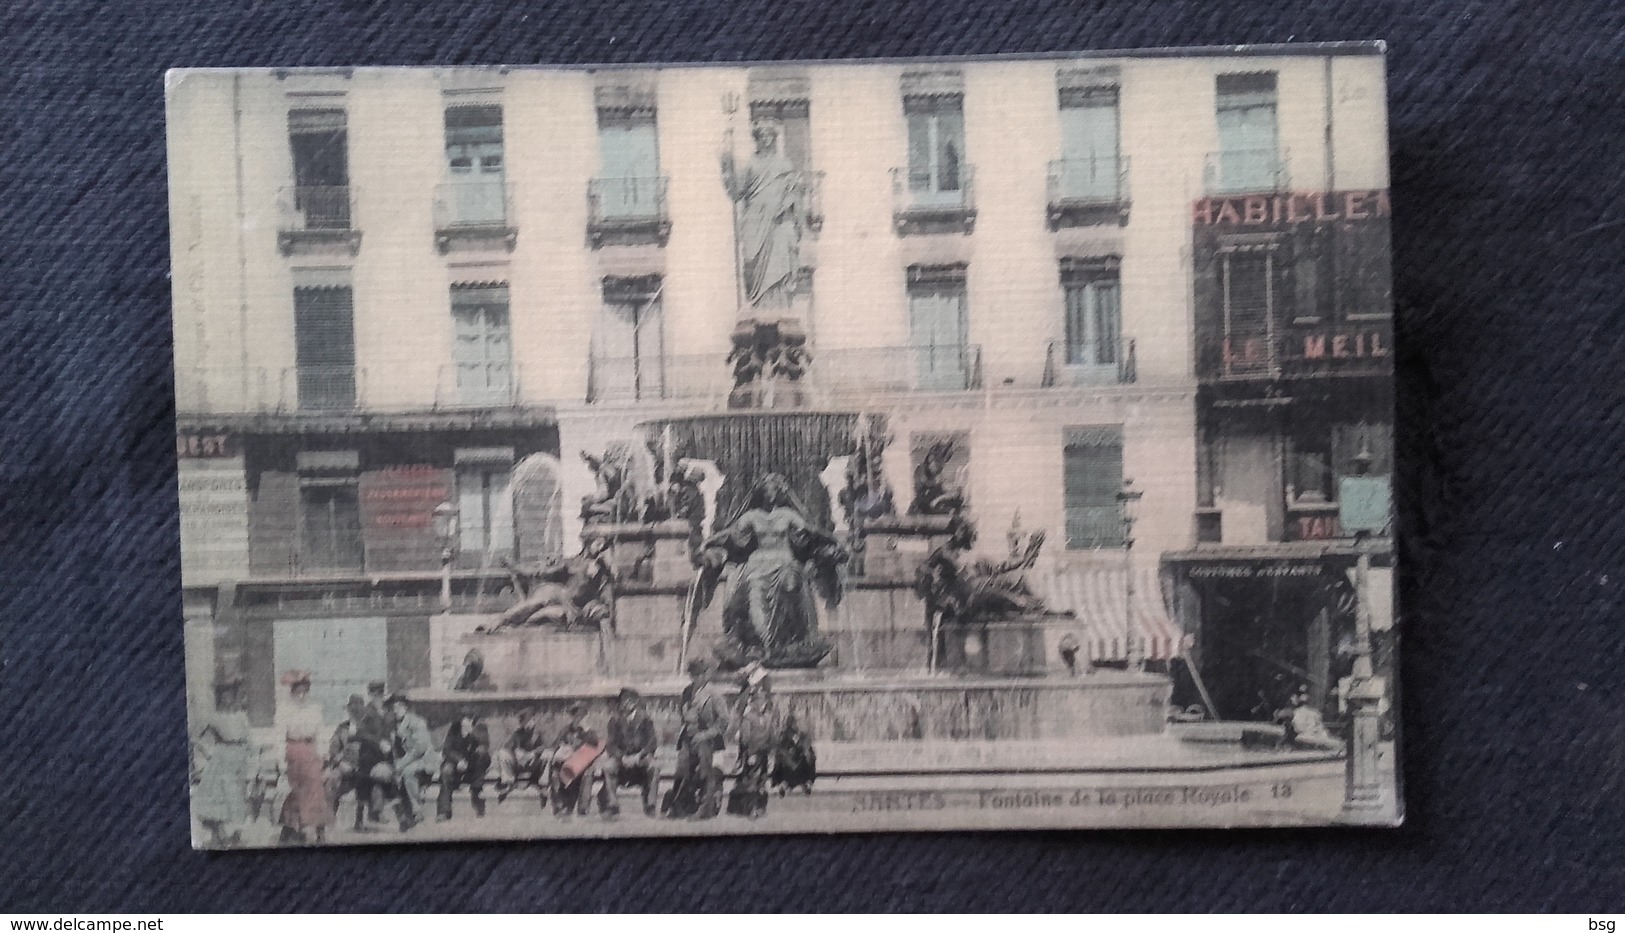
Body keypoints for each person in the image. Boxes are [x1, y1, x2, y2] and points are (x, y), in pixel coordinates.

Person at [696, 473, 846, 668]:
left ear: (779, 493)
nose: (770, 494)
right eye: (767, 491)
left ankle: (795, 641)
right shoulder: (752, 516)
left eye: (773, 490)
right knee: (753, 594)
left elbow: (811, 530)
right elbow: (729, 534)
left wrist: (833, 539)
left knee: (792, 583)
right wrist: (709, 541)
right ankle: (765, 645)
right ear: (761, 493)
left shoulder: (787, 514)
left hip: (784, 561)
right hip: (757, 564)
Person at [722, 123, 803, 311]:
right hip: (755, 221)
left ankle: (780, 304)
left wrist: (793, 208)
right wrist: (726, 166)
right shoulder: (750, 165)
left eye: (768, 136)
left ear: (773, 138)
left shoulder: (784, 165)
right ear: (757, 140)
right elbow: (737, 192)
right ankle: (759, 303)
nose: (765, 140)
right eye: (761, 136)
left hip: (778, 221)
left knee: (781, 261)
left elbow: (793, 192)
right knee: (753, 261)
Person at [192, 675, 254, 847]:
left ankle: (235, 834)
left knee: (238, 799)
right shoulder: (213, 717)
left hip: (239, 760)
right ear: (219, 697)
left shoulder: (241, 716)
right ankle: (218, 835)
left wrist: (252, 759)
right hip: (221, 760)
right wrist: (208, 752)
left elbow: (249, 740)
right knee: (222, 798)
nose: (228, 698)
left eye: (231, 694)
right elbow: (195, 736)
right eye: (224, 695)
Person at [664, 658, 729, 820]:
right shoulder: (687, 692)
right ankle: (680, 805)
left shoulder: (714, 696)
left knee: (706, 772)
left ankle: (704, 809)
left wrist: (706, 734)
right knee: (682, 771)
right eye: (694, 675)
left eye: (700, 674)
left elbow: (724, 721)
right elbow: (683, 714)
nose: (697, 678)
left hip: (709, 740)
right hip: (689, 739)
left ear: (706, 675)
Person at [275, 670, 332, 845]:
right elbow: (279, 736)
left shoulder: (314, 708)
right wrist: (280, 760)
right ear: (292, 691)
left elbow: (320, 733)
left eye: (304, 691)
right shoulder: (285, 709)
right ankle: (290, 827)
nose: (301, 695)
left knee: (316, 789)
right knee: (297, 792)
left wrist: (323, 753)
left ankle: (319, 829)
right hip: (293, 751)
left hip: (310, 751)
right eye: (297, 691)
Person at [727, 667, 779, 819]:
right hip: (753, 753)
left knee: (762, 781)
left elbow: (772, 736)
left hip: (763, 753)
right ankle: (750, 809)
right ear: (754, 702)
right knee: (751, 781)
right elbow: (744, 738)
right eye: (759, 701)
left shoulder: (767, 717)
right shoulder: (748, 718)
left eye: (763, 701)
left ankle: (760, 807)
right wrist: (747, 754)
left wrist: (772, 754)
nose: (762, 704)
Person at [602, 688, 660, 817]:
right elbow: (610, 745)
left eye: (631, 700)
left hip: (641, 758)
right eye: (625, 700)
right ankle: (613, 805)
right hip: (621, 760)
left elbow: (652, 742)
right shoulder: (614, 721)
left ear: (636, 702)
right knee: (608, 767)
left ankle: (650, 806)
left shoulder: (645, 719)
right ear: (621, 703)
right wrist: (622, 757)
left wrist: (639, 756)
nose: (628, 703)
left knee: (654, 767)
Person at [388, 693, 438, 831]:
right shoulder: (393, 725)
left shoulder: (417, 722)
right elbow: (394, 748)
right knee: (390, 774)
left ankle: (417, 810)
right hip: (406, 761)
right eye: (393, 708)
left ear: (405, 707)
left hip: (424, 760)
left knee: (407, 772)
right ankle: (403, 816)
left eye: (398, 707)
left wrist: (401, 764)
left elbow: (420, 748)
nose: (395, 710)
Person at [549, 701, 605, 819]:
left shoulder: (590, 732)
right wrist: (562, 749)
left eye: (582, 715)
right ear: (572, 716)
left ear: (586, 717)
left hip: (583, 767)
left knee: (587, 775)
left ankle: (582, 811)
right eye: (577, 715)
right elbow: (554, 746)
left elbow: (596, 749)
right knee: (555, 775)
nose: (579, 718)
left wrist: (584, 735)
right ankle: (559, 808)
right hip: (566, 765)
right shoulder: (565, 730)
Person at [438, 709, 492, 821]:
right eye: (463, 719)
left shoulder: (480, 727)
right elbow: (447, 749)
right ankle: (444, 810)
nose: (464, 722)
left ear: (473, 719)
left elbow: (484, 747)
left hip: (474, 766)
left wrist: (471, 732)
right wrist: (459, 760)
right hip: (458, 764)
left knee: (483, 758)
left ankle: (477, 797)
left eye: (468, 719)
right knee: (446, 770)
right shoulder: (454, 728)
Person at [495, 707, 551, 806]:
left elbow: (545, 746)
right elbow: (507, 746)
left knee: (548, 754)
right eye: (526, 720)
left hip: (534, 763)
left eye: (531, 719)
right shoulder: (518, 733)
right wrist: (515, 751)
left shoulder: (539, 732)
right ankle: (508, 782)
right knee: (502, 753)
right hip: (519, 763)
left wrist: (533, 753)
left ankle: (543, 785)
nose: (529, 722)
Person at [770, 713, 817, 795]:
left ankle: (806, 783)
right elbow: (781, 751)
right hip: (791, 765)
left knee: (808, 757)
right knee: (787, 762)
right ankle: (786, 784)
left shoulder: (801, 736)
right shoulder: (785, 735)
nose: (797, 725)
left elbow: (808, 749)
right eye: (796, 723)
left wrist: (807, 753)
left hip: (797, 764)